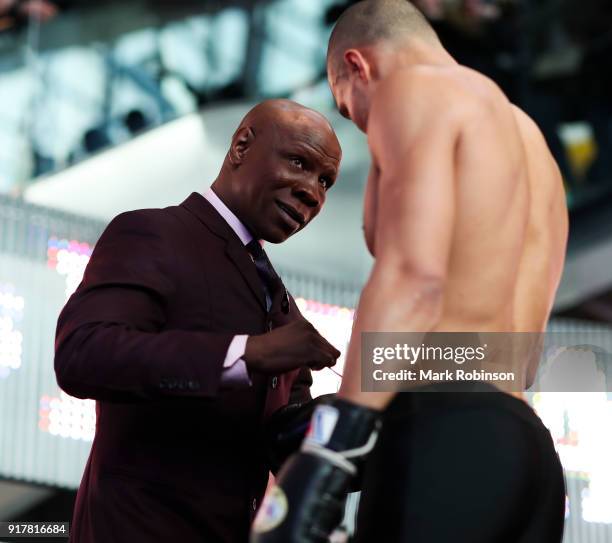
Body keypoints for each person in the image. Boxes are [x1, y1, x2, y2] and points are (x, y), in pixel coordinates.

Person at [251, 1, 568, 542]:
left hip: (443, 436)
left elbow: (414, 278)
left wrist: (332, 444)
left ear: (357, 67)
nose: (361, 126)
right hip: (525, 454)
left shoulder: (412, 89)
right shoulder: (529, 141)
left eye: (349, 110)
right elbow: (519, 359)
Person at [54, 99, 343, 543]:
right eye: (300, 163)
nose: (313, 192)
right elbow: (82, 354)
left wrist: (367, 417)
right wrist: (248, 353)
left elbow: (282, 443)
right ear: (241, 146)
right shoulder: (155, 233)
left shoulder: (283, 306)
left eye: (325, 181)